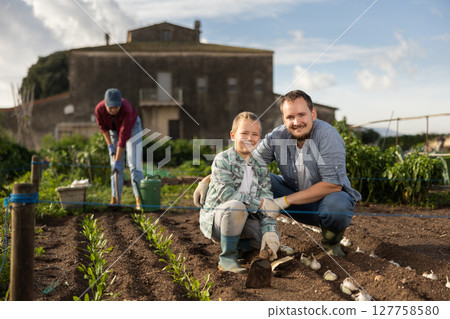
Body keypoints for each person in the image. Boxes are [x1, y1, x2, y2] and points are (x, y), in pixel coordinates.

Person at [195, 90, 361, 257]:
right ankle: (243, 239)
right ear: (284, 119)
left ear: (313, 114)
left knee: (337, 206)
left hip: (324, 201)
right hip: (293, 196)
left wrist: (284, 201)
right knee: (252, 179)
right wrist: (207, 180)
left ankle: (331, 243)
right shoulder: (277, 137)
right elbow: (245, 163)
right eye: (290, 117)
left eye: (302, 115)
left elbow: (333, 184)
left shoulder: (327, 136)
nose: (296, 122)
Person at [199, 111, 283, 274]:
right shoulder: (223, 160)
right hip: (219, 219)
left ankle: (241, 248)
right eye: (244, 133)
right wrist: (260, 204)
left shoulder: (260, 167)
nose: (249, 138)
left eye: (254, 134)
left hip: (246, 218)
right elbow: (227, 195)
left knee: (271, 238)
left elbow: (267, 201)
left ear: (259, 138)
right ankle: (227, 258)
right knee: (236, 206)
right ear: (233, 135)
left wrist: (269, 230)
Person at [95, 88, 144, 209]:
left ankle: (140, 199)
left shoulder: (126, 109)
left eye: (116, 107)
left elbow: (123, 139)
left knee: (134, 164)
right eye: (110, 107)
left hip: (132, 128)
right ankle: (115, 198)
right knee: (115, 168)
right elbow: (103, 128)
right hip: (113, 131)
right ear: (105, 103)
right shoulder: (99, 109)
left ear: (120, 104)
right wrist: (110, 146)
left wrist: (117, 160)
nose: (113, 110)